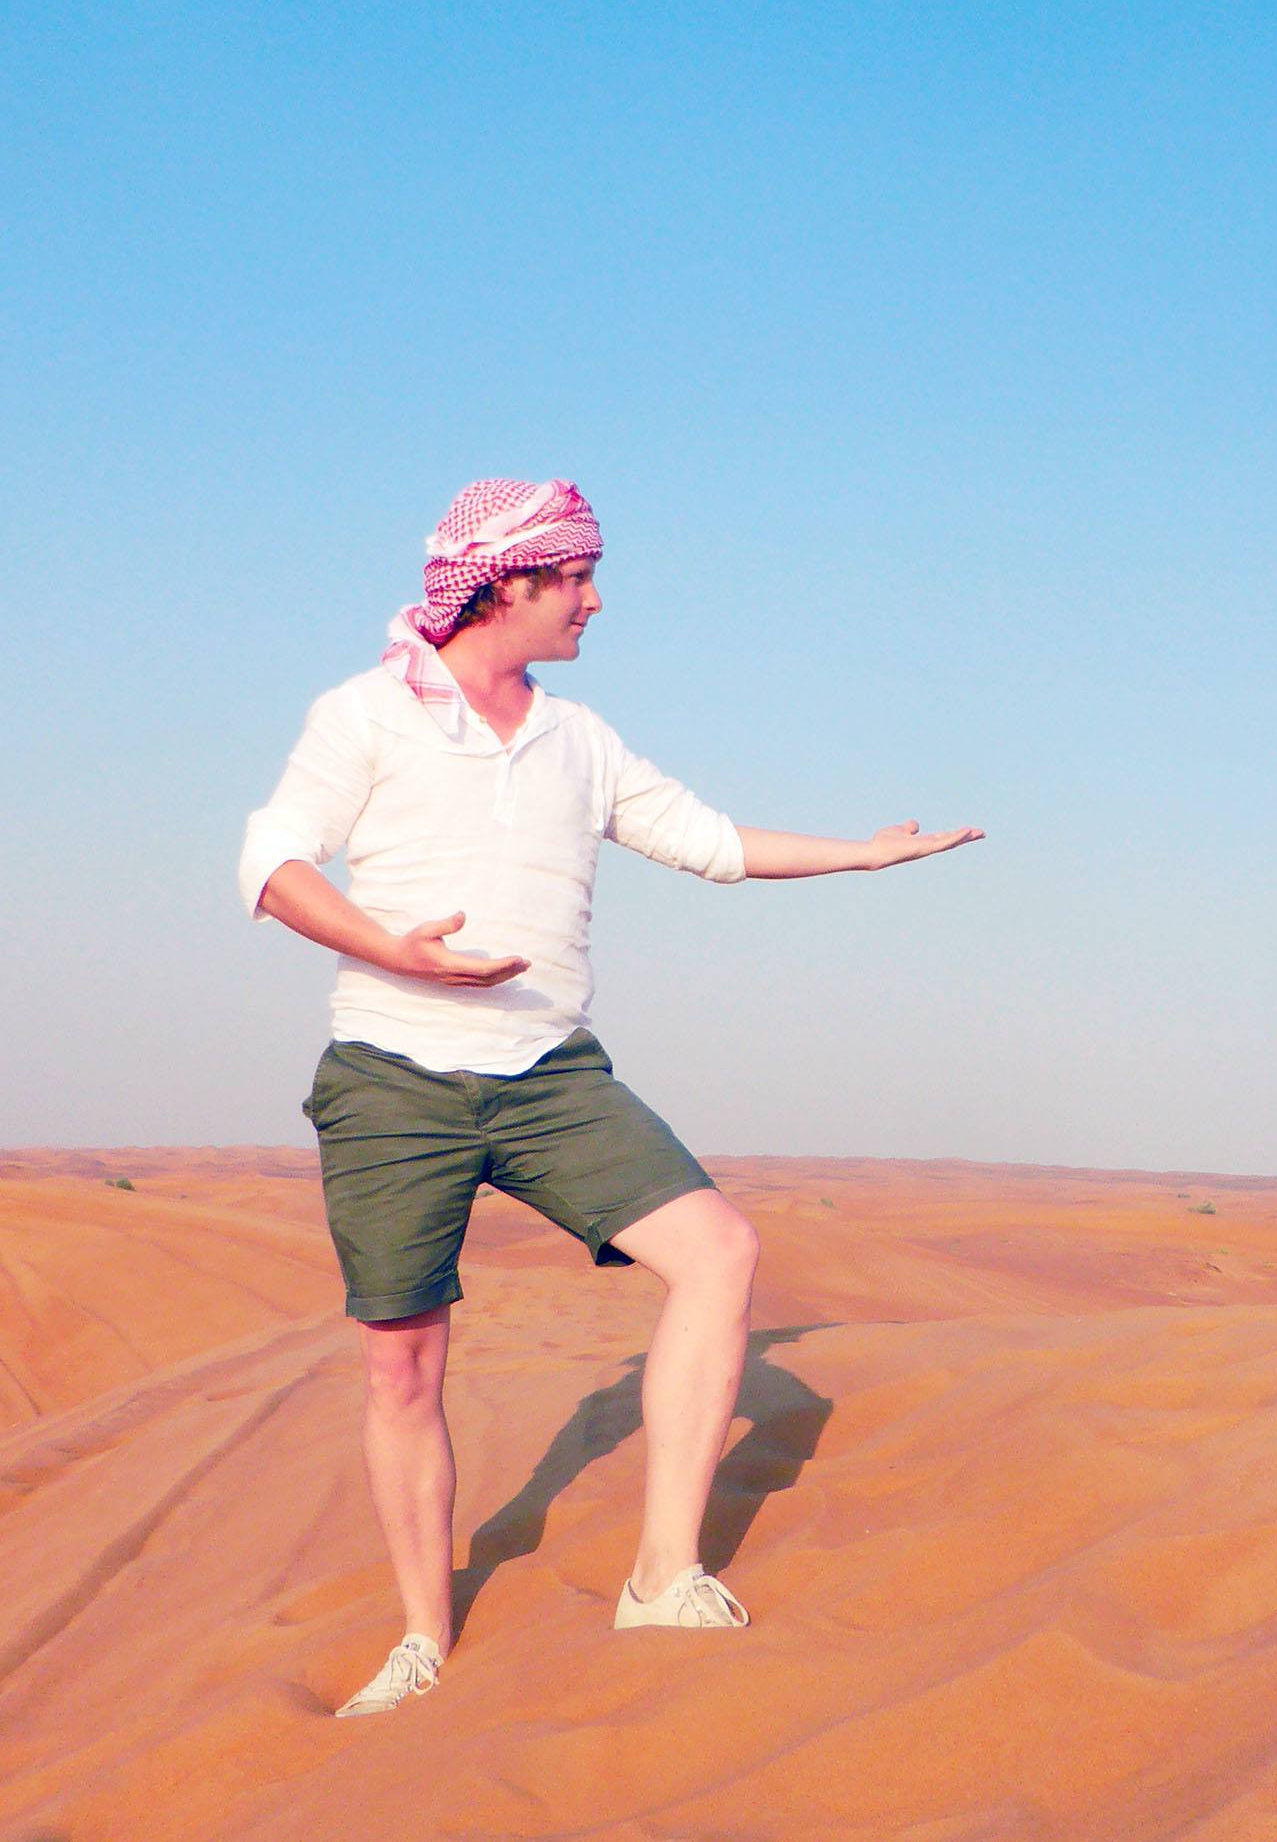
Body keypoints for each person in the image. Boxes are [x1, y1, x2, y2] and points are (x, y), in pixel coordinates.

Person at [239, 475, 982, 1717]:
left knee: (720, 1251)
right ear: (505, 585)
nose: (595, 598)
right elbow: (269, 862)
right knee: (403, 1370)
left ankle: (663, 1573)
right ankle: (424, 1637)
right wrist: (393, 949)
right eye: (575, 577)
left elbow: (710, 843)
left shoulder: (577, 738)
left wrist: (861, 852)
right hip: (392, 1076)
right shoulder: (363, 714)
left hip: (549, 1073)